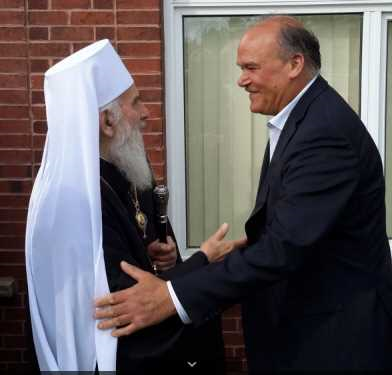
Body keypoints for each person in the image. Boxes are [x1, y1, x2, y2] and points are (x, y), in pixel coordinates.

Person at [95, 16, 392, 372]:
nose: (241, 80)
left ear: (294, 65)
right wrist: (228, 253)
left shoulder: (324, 133)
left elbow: (283, 248)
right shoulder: (303, 117)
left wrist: (170, 297)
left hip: (333, 341)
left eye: (251, 67)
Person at [25, 39, 242, 372]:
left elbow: (141, 250)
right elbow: (120, 302)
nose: (146, 113)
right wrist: (203, 260)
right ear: (107, 122)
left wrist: (167, 259)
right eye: (136, 102)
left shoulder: (123, 169)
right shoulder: (70, 200)